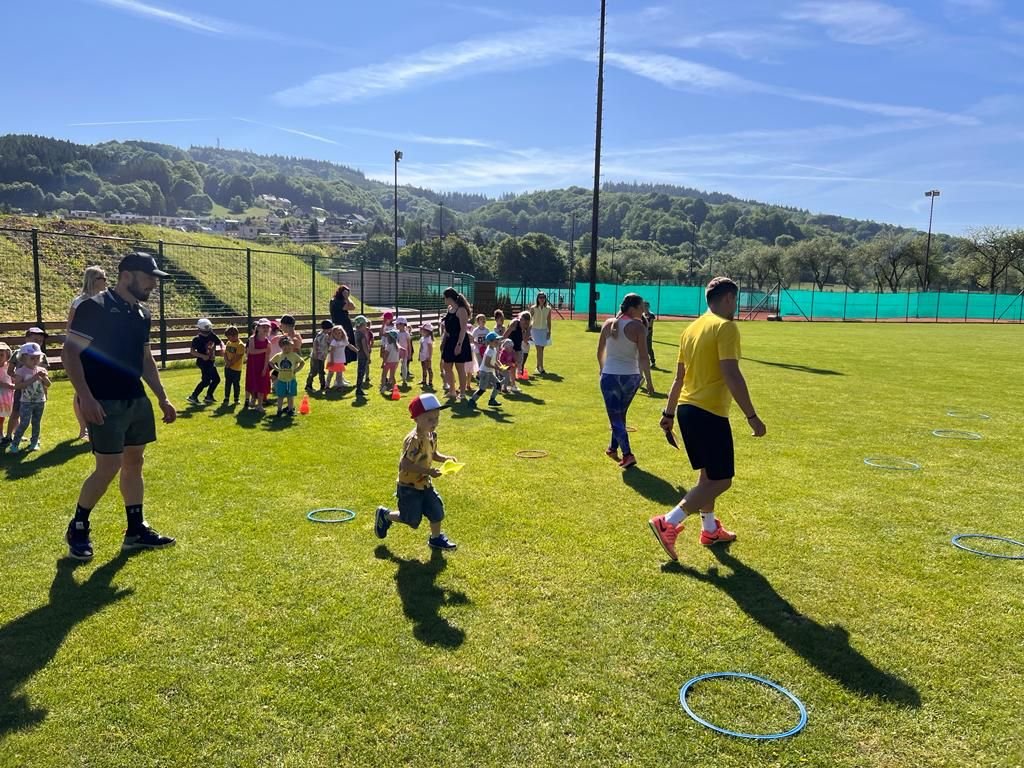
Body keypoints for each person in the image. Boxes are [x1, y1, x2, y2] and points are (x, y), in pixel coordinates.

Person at [62, 251, 177, 561]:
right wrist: (85, 396)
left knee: (134, 462)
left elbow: (145, 358)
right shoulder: (94, 307)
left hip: (135, 397)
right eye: (149, 276)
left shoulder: (142, 313)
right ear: (127, 275)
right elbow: (70, 353)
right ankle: (79, 527)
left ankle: (135, 529)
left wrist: (161, 396)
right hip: (103, 399)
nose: (154, 283)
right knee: (108, 466)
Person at [649, 277, 767, 562]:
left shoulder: (691, 329)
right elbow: (731, 373)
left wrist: (668, 413)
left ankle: (710, 529)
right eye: (735, 301)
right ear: (728, 298)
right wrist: (752, 417)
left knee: (708, 476)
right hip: (708, 412)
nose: (735, 307)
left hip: (689, 410)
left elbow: (679, 378)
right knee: (722, 479)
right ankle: (668, 522)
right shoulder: (725, 327)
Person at [374, 393, 458, 551]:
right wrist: (428, 471)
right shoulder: (414, 440)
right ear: (417, 419)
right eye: (429, 419)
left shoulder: (431, 435)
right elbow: (405, 464)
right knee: (411, 519)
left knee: (436, 511)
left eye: (436, 418)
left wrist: (445, 458)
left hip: (425, 483)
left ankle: (436, 538)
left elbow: (432, 454)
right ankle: (385, 515)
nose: (434, 423)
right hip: (409, 487)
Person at [596, 293, 655, 470]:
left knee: (616, 417)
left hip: (611, 376)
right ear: (632, 309)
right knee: (619, 415)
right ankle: (613, 448)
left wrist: (602, 368)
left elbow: (600, 351)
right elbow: (644, 358)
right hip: (631, 377)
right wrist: (649, 382)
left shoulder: (608, 324)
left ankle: (628, 454)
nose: (644, 310)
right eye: (641, 307)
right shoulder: (638, 328)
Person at [67, 266, 108, 439]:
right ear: (93, 280)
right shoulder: (80, 302)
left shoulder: (106, 301)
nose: (106, 281)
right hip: (85, 351)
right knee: (82, 388)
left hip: (103, 351)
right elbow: (70, 327)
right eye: (102, 278)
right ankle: (84, 428)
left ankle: (100, 425)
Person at [2, 326, 48, 447]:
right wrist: (19, 377)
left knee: (36, 419)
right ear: (26, 338)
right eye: (35, 339)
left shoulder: (41, 355)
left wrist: (45, 389)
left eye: (40, 340)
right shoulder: (18, 353)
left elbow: (44, 376)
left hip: (37, 393)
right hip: (22, 391)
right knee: (16, 412)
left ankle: (35, 439)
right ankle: (9, 436)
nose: (38, 342)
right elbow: (10, 371)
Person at [440, 288, 472, 400]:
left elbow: (463, 329)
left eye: (444, 297)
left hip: (460, 341)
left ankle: (462, 393)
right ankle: (452, 391)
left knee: (460, 367)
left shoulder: (461, 310)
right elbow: (447, 328)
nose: (443, 300)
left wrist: (459, 345)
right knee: (446, 366)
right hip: (449, 341)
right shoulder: (449, 309)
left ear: (449, 298)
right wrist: (444, 340)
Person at [186, 318, 221, 405]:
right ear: (199, 329)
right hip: (203, 362)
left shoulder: (212, 335)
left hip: (211, 362)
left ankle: (209, 396)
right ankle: (193, 396)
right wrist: (202, 356)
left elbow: (219, 342)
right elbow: (192, 351)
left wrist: (223, 348)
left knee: (216, 379)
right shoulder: (197, 339)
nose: (207, 333)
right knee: (206, 381)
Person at [270, 336, 304, 416]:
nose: (287, 349)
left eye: (289, 347)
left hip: (291, 379)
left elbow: (302, 362)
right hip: (281, 379)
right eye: (285, 348)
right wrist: (276, 368)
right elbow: (271, 362)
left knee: (290, 396)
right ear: (281, 347)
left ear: (292, 347)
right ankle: (279, 410)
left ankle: (290, 409)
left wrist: (297, 369)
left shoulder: (294, 355)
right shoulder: (279, 355)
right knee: (280, 396)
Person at [468, 332, 503, 407]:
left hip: (490, 372)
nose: (497, 342)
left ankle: (492, 400)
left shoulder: (494, 349)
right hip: (484, 372)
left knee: (498, 385)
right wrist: (497, 368)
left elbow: (496, 360)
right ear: (490, 342)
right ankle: (472, 400)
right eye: (495, 340)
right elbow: (487, 363)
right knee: (482, 389)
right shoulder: (489, 351)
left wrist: (501, 365)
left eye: (498, 340)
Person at [245, 318, 272, 413]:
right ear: (258, 328)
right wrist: (264, 350)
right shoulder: (252, 339)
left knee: (262, 385)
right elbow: (251, 351)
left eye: (267, 327)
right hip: (252, 365)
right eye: (263, 327)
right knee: (252, 382)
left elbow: (267, 357)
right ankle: (252, 400)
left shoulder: (268, 342)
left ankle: (259, 405)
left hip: (262, 366)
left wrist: (265, 368)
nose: (265, 329)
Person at [329, 284, 358, 369]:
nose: (346, 294)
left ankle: (341, 371)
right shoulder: (335, 301)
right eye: (345, 293)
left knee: (347, 344)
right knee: (341, 348)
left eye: (348, 293)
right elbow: (347, 307)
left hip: (346, 324)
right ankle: (338, 370)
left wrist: (347, 297)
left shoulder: (344, 300)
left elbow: (353, 307)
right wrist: (346, 298)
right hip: (339, 326)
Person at [502, 311, 533, 385]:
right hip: (510, 346)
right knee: (509, 364)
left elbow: (525, 340)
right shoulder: (515, 323)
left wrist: (528, 330)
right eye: (524, 322)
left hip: (518, 346)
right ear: (521, 320)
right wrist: (502, 344)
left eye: (527, 323)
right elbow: (506, 334)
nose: (525, 325)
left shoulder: (527, 326)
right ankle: (509, 382)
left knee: (517, 364)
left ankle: (512, 380)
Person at [326, 325, 357, 389]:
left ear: (342, 333)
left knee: (339, 374)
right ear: (333, 334)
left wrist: (357, 351)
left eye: (339, 333)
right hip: (333, 360)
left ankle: (339, 385)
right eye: (335, 333)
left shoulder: (344, 341)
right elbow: (331, 352)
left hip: (340, 360)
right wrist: (331, 361)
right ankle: (327, 385)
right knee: (330, 373)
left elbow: (350, 346)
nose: (337, 335)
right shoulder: (334, 342)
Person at [529, 292, 553, 375]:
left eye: (543, 297)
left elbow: (549, 321)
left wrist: (549, 331)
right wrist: (528, 330)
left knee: (541, 350)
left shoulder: (548, 309)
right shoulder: (533, 308)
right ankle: (541, 368)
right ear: (537, 299)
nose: (542, 299)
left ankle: (538, 366)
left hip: (543, 330)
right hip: (535, 330)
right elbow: (529, 319)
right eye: (540, 297)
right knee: (539, 349)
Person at [306, 319, 333, 392]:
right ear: (327, 329)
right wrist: (315, 354)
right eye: (330, 328)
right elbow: (315, 344)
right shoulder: (322, 335)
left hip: (321, 357)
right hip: (317, 357)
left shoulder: (325, 335)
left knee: (319, 371)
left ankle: (317, 385)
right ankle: (313, 385)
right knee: (317, 371)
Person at [222, 326, 245, 404]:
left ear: (235, 335)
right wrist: (226, 361)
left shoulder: (240, 345)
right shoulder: (229, 342)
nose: (228, 339)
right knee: (227, 383)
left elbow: (238, 357)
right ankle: (226, 398)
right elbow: (225, 353)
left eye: (229, 337)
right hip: (227, 367)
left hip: (236, 369)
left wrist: (230, 363)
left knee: (236, 384)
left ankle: (236, 398)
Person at [353, 315, 373, 390]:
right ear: (362, 325)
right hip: (363, 355)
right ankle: (359, 389)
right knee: (362, 372)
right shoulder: (362, 335)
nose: (366, 326)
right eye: (365, 324)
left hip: (359, 355)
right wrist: (368, 357)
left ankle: (359, 387)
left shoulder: (356, 333)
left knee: (360, 372)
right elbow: (365, 347)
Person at [380, 330, 401, 394]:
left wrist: (383, 362)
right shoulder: (397, 345)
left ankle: (383, 387)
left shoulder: (389, 345)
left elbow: (386, 355)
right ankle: (394, 388)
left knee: (384, 375)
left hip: (389, 362)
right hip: (395, 362)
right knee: (392, 376)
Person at [0, 343, 13, 440]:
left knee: (13, 414)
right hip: (1, 394)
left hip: (8, 394)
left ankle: (14, 432)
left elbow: (12, 376)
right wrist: (8, 385)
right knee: (0, 416)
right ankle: (0, 433)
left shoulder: (8, 366)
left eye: (1, 355)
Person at [395, 316, 412, 384]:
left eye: (397, 324)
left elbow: (409, 345)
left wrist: (410, 354)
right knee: (395, 364)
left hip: (405, 352)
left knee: (404, 365)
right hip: (398, 352)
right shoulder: (397, 333)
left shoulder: (406, 334)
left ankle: (404, 378)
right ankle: (392, 377)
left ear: (402, 324)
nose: (396, 326)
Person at [418, 322, 435, 388]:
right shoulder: (422, 338)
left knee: (429, 369)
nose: (420, 330)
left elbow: (430, 348)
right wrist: (419, 355)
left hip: (427, 357)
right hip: (422, 356)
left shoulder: (428, 339)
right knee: (423, 368)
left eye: (422, 329)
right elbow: (421, 347)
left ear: (427, 331)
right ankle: (424, 380)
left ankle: (430, 382)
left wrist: (429, 357)